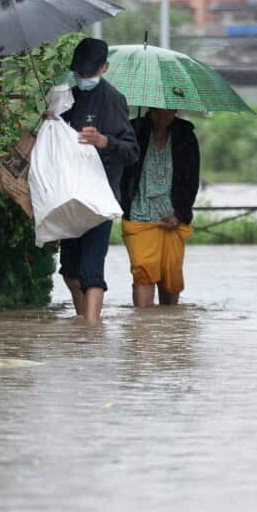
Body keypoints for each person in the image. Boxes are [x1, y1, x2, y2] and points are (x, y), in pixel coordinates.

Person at [46, 38, 138, 323]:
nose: (83, 78)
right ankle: (85, 323)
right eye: (79, 73)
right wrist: (50, 120)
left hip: (100, 198)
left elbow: (131, 151)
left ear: (105, 68)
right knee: (70, 271)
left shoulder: (114, 101)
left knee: (91, 269)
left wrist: (103, 141)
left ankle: (91, 329)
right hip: (69, 195)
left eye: (89, 73)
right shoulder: (67, 98)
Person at [119, 108, 200, 307]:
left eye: (168, 112)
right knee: (143, 273)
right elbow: (121, 168)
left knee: (170, 275)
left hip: (171, 214)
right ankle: (143, 329)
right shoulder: (133, 130)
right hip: (138, 213)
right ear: (150, 109)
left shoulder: (185, 135)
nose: (163, 116)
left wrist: (180, 214)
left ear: (176, 111)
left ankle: (168, 330)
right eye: (158, 111)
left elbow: (191, 179)